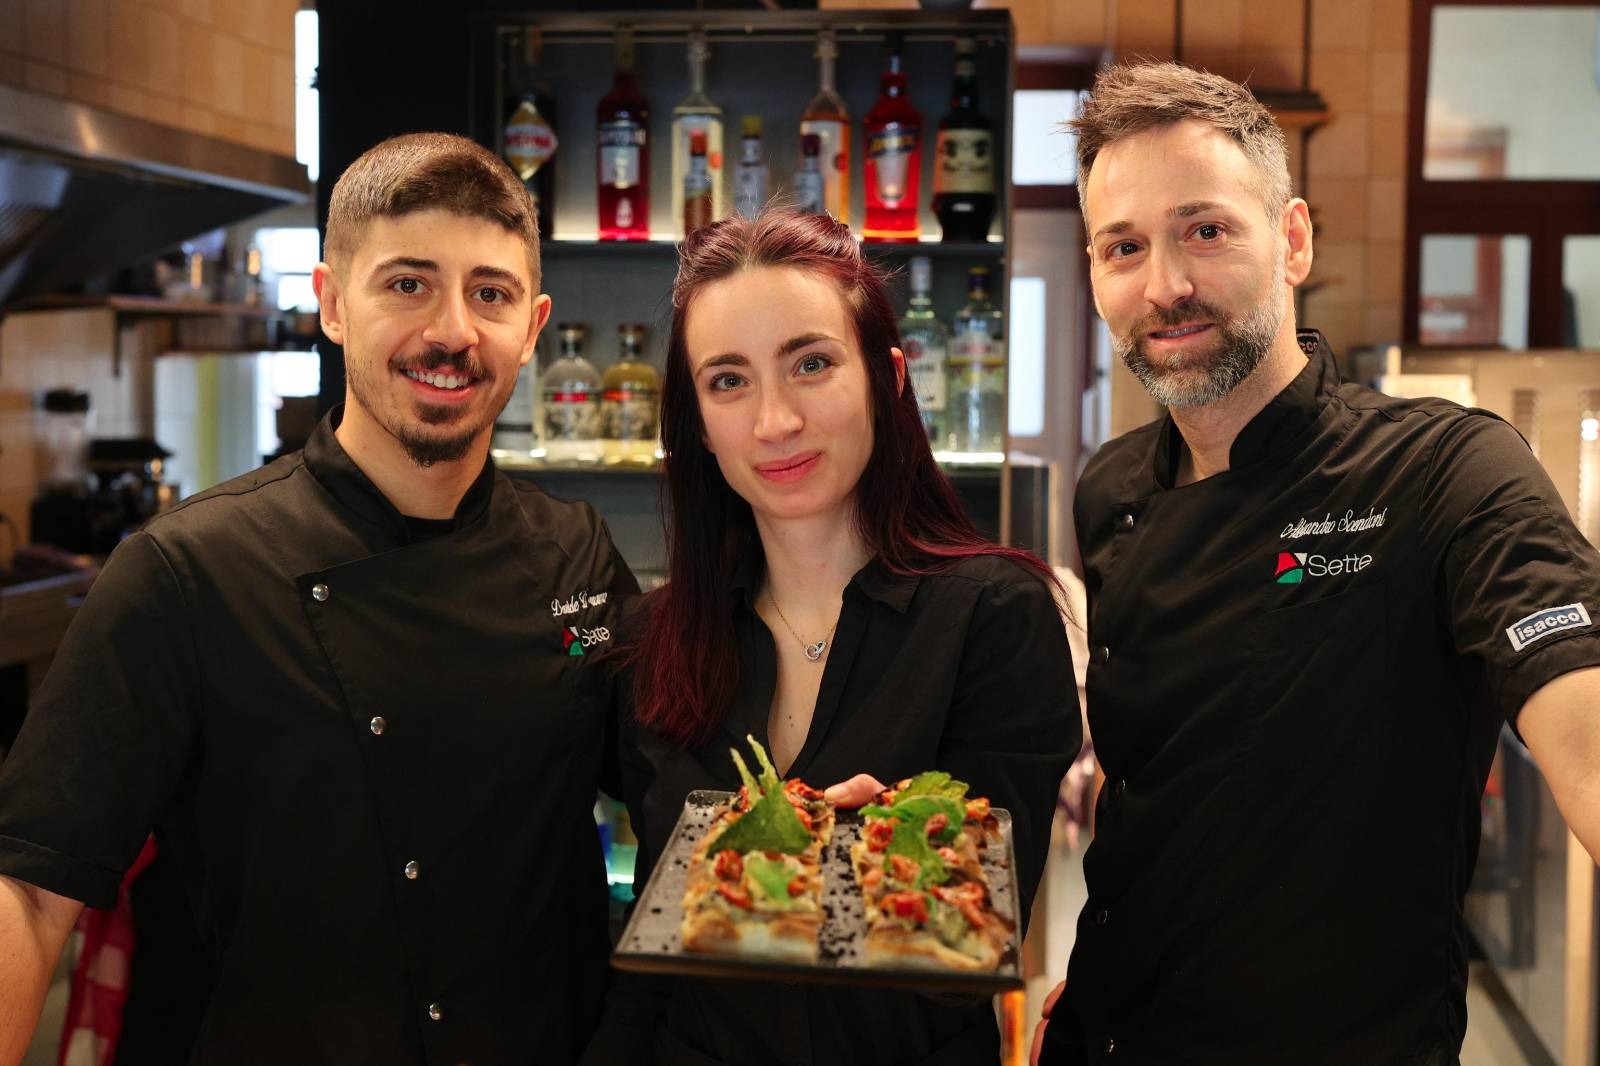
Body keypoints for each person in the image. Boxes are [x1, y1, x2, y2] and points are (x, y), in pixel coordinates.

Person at [0, 133, 637, 1066]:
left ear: (534, 326)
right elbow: (29, 888)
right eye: (408, 284)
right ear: (333, 303)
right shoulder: (188, 573)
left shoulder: (573, 553)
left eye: (490, 293)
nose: (453, 331)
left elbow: (687, 763)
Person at [1030, 62, 1600, 1065]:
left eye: (1205, 230)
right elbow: (1162, 774)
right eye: (1124, 247)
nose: (1164, 284)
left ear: (1292, 239)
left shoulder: (1445, 470)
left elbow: (1586, 739)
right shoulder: (1109, 488)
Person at [586, 208, 1080, 1066]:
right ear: (698, 422)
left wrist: (860, 865)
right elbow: (652, 950)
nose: (775, 421)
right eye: (728, 381)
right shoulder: (654, 639)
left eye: (811, 364)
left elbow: (967, 962)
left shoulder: (994, 617)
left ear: (888, 377)